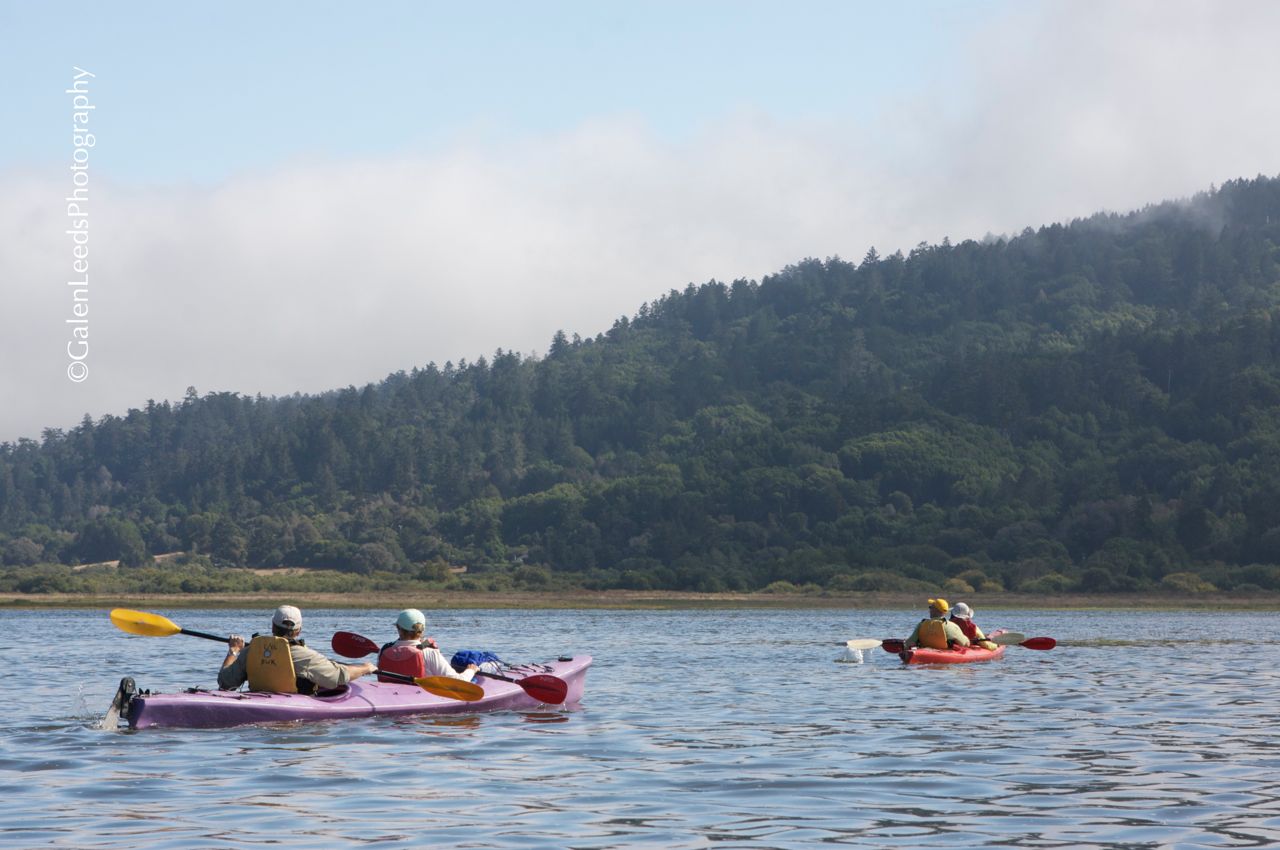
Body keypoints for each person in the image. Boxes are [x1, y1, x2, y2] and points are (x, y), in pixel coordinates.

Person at [218, 605, 376, 695]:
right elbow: (338, 676)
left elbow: (225, 682)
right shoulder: (304, 656)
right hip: (292, 712)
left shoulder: (251, 650)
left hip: (258, 700)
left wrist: (234, 650)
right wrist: (365, 668)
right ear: (298, 631)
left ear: (272, 626)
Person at [376, 608, 478, 683]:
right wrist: (471, 670)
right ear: (422, 630)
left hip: (389, 697)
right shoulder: (429, 652)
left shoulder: (384, 650)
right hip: (419, 696)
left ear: (399, 628)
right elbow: (458, 681)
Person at [903, 598, 970, 651]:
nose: (929, 610)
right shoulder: (952, 626)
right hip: (945, 654)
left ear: (935, 610)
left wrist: (904, 644)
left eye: (930, 607)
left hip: (926, 652)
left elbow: (910, 642)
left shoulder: (921, 624)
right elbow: (965, 643)